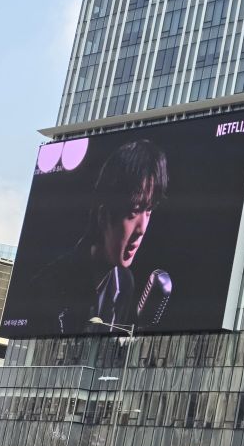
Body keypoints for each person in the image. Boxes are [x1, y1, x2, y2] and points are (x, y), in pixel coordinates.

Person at [31, 138, 169, 334]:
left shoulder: (125, 281)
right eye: (134, 211)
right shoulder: (48, 286)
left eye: (149, 210)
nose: (142, 229)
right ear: (104, 215)